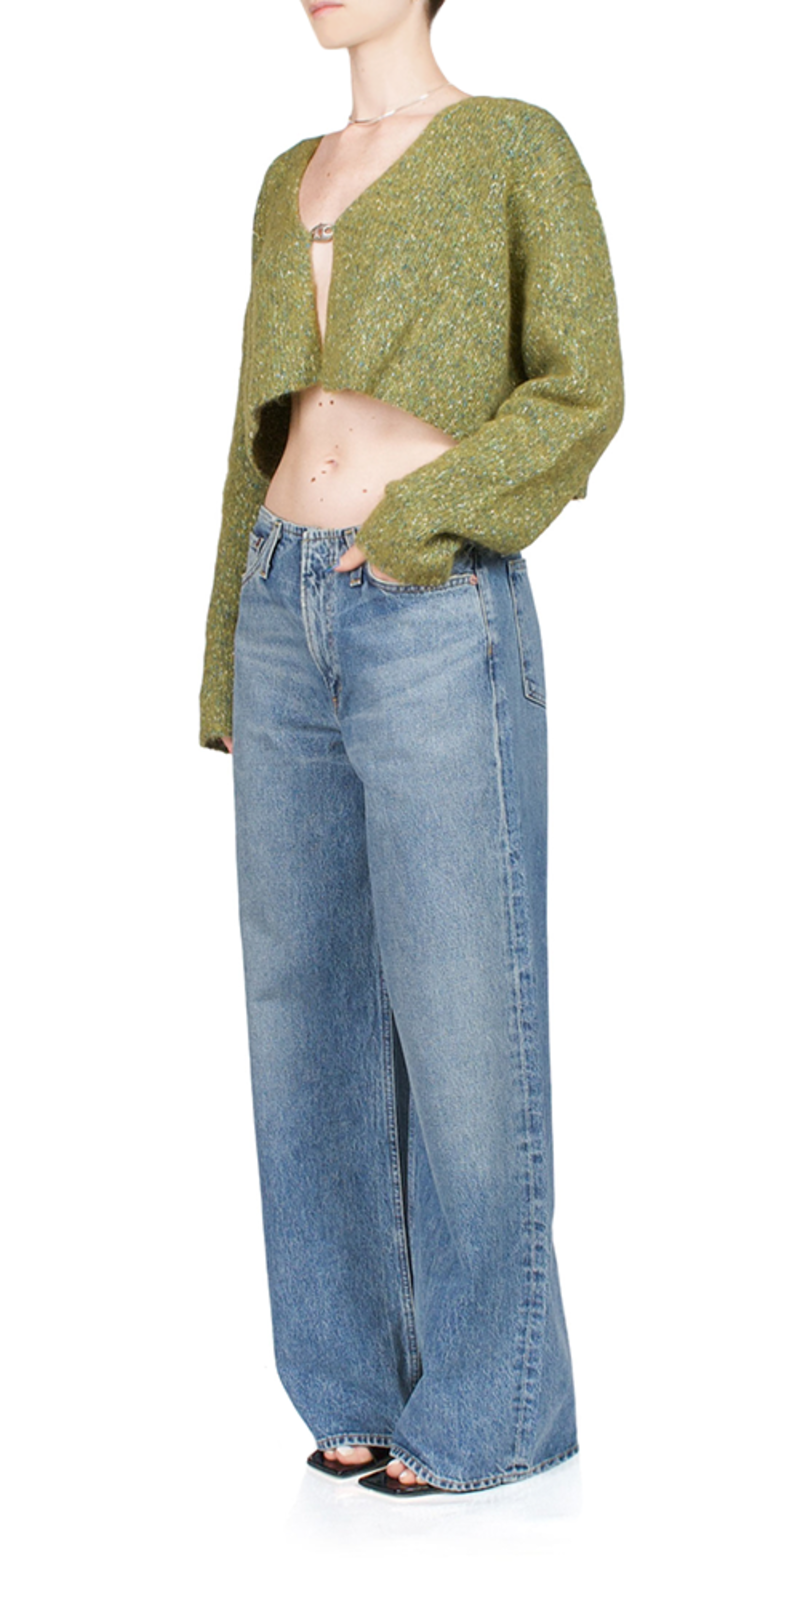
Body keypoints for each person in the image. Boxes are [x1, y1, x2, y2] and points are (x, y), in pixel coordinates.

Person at [199, 0, 624, 1497]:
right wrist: (227, 647)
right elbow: (255, 434)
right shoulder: (287, 175)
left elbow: (581, 386)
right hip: (284, 602)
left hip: (430, 605)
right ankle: (351, 1381)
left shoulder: (514, 145)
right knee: (299, 1009)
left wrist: (418, 521)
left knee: (463, 1011)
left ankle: (499, 1408)